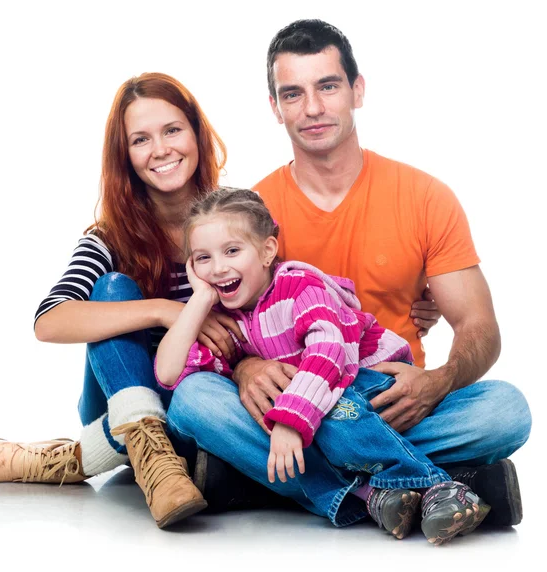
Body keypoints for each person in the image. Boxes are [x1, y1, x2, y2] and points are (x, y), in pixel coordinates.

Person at [162, 19, 531, 530]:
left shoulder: (424, 197)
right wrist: (246, 371)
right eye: (293, 93)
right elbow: (233, 327)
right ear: (275, 107)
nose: (312, 108)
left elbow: (479, 327)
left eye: (328, 86)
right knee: (195, 401)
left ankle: (263, 480)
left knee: (506, 411)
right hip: (296, 396)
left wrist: (437, 382)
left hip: (391, 399)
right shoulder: (251, 215)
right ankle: (422, 487)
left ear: (357, 91)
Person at [0, 72, 242, 529]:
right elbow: (49, 321)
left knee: (201, 404)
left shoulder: (234, 224)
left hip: (198, 399)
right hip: (118, 400)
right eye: (141, 139)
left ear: (196, 132)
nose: (162, 149)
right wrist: (167, 311)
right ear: (126, 156)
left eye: (172, 130)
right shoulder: (111, 237)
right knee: (111, 287)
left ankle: (71, 460)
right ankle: (149, 448)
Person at [156, 187, 491, 544]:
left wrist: (290, 424)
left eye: (232, 251)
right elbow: (169, 374)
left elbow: (330, 353)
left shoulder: (299, 284)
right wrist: (200, 299)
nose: (218, 267)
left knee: (333, 414)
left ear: (267, 250)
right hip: (317, 403)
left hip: (368, 383)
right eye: (202, 258)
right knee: (194, 402)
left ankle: (438, 485)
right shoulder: (224, 316)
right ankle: (375, 495)